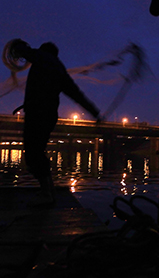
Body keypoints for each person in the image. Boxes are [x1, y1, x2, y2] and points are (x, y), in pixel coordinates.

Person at [10, 39, 101, 206]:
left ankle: (46, 193)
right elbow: (76, 94)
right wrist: (95, 112)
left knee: (33, 154)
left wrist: (18, 46)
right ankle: (49, 191)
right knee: (38, 151)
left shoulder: (42, 57)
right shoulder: (60, 69)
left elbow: (23, 51)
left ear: (44, 51)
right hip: (49, 115)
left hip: (37, 114)